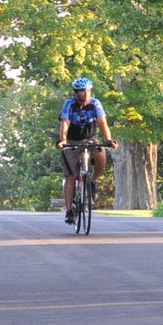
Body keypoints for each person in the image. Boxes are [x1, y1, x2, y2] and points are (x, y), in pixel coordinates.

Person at [55, 77, 116, 224]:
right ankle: (69, 211)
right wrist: (63, 140)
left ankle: (92, 181)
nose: (86, 93)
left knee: (101, 155)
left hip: (90, 139)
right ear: (76, 93)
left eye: (88, 90)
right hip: (72, 141)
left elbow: (102, 123)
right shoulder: (69, 104)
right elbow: (65, 124)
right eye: (83, 91)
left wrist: (109, 140)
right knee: (71, 176)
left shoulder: (95, 104)